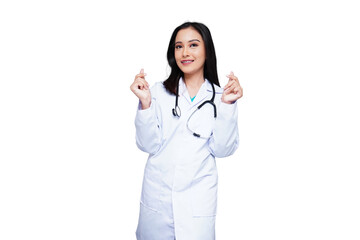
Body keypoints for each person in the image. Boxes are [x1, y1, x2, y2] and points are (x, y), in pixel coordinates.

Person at [130, 22, 243, 240]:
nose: (185, 53)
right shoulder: (157, 93)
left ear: (207, 51)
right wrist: (145, 104)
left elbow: (223, 150)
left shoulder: (221, 96)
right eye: (178, 46)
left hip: (196, 205)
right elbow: (146, 145)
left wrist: (228, 105)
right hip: (158, 201)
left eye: (193, 45)